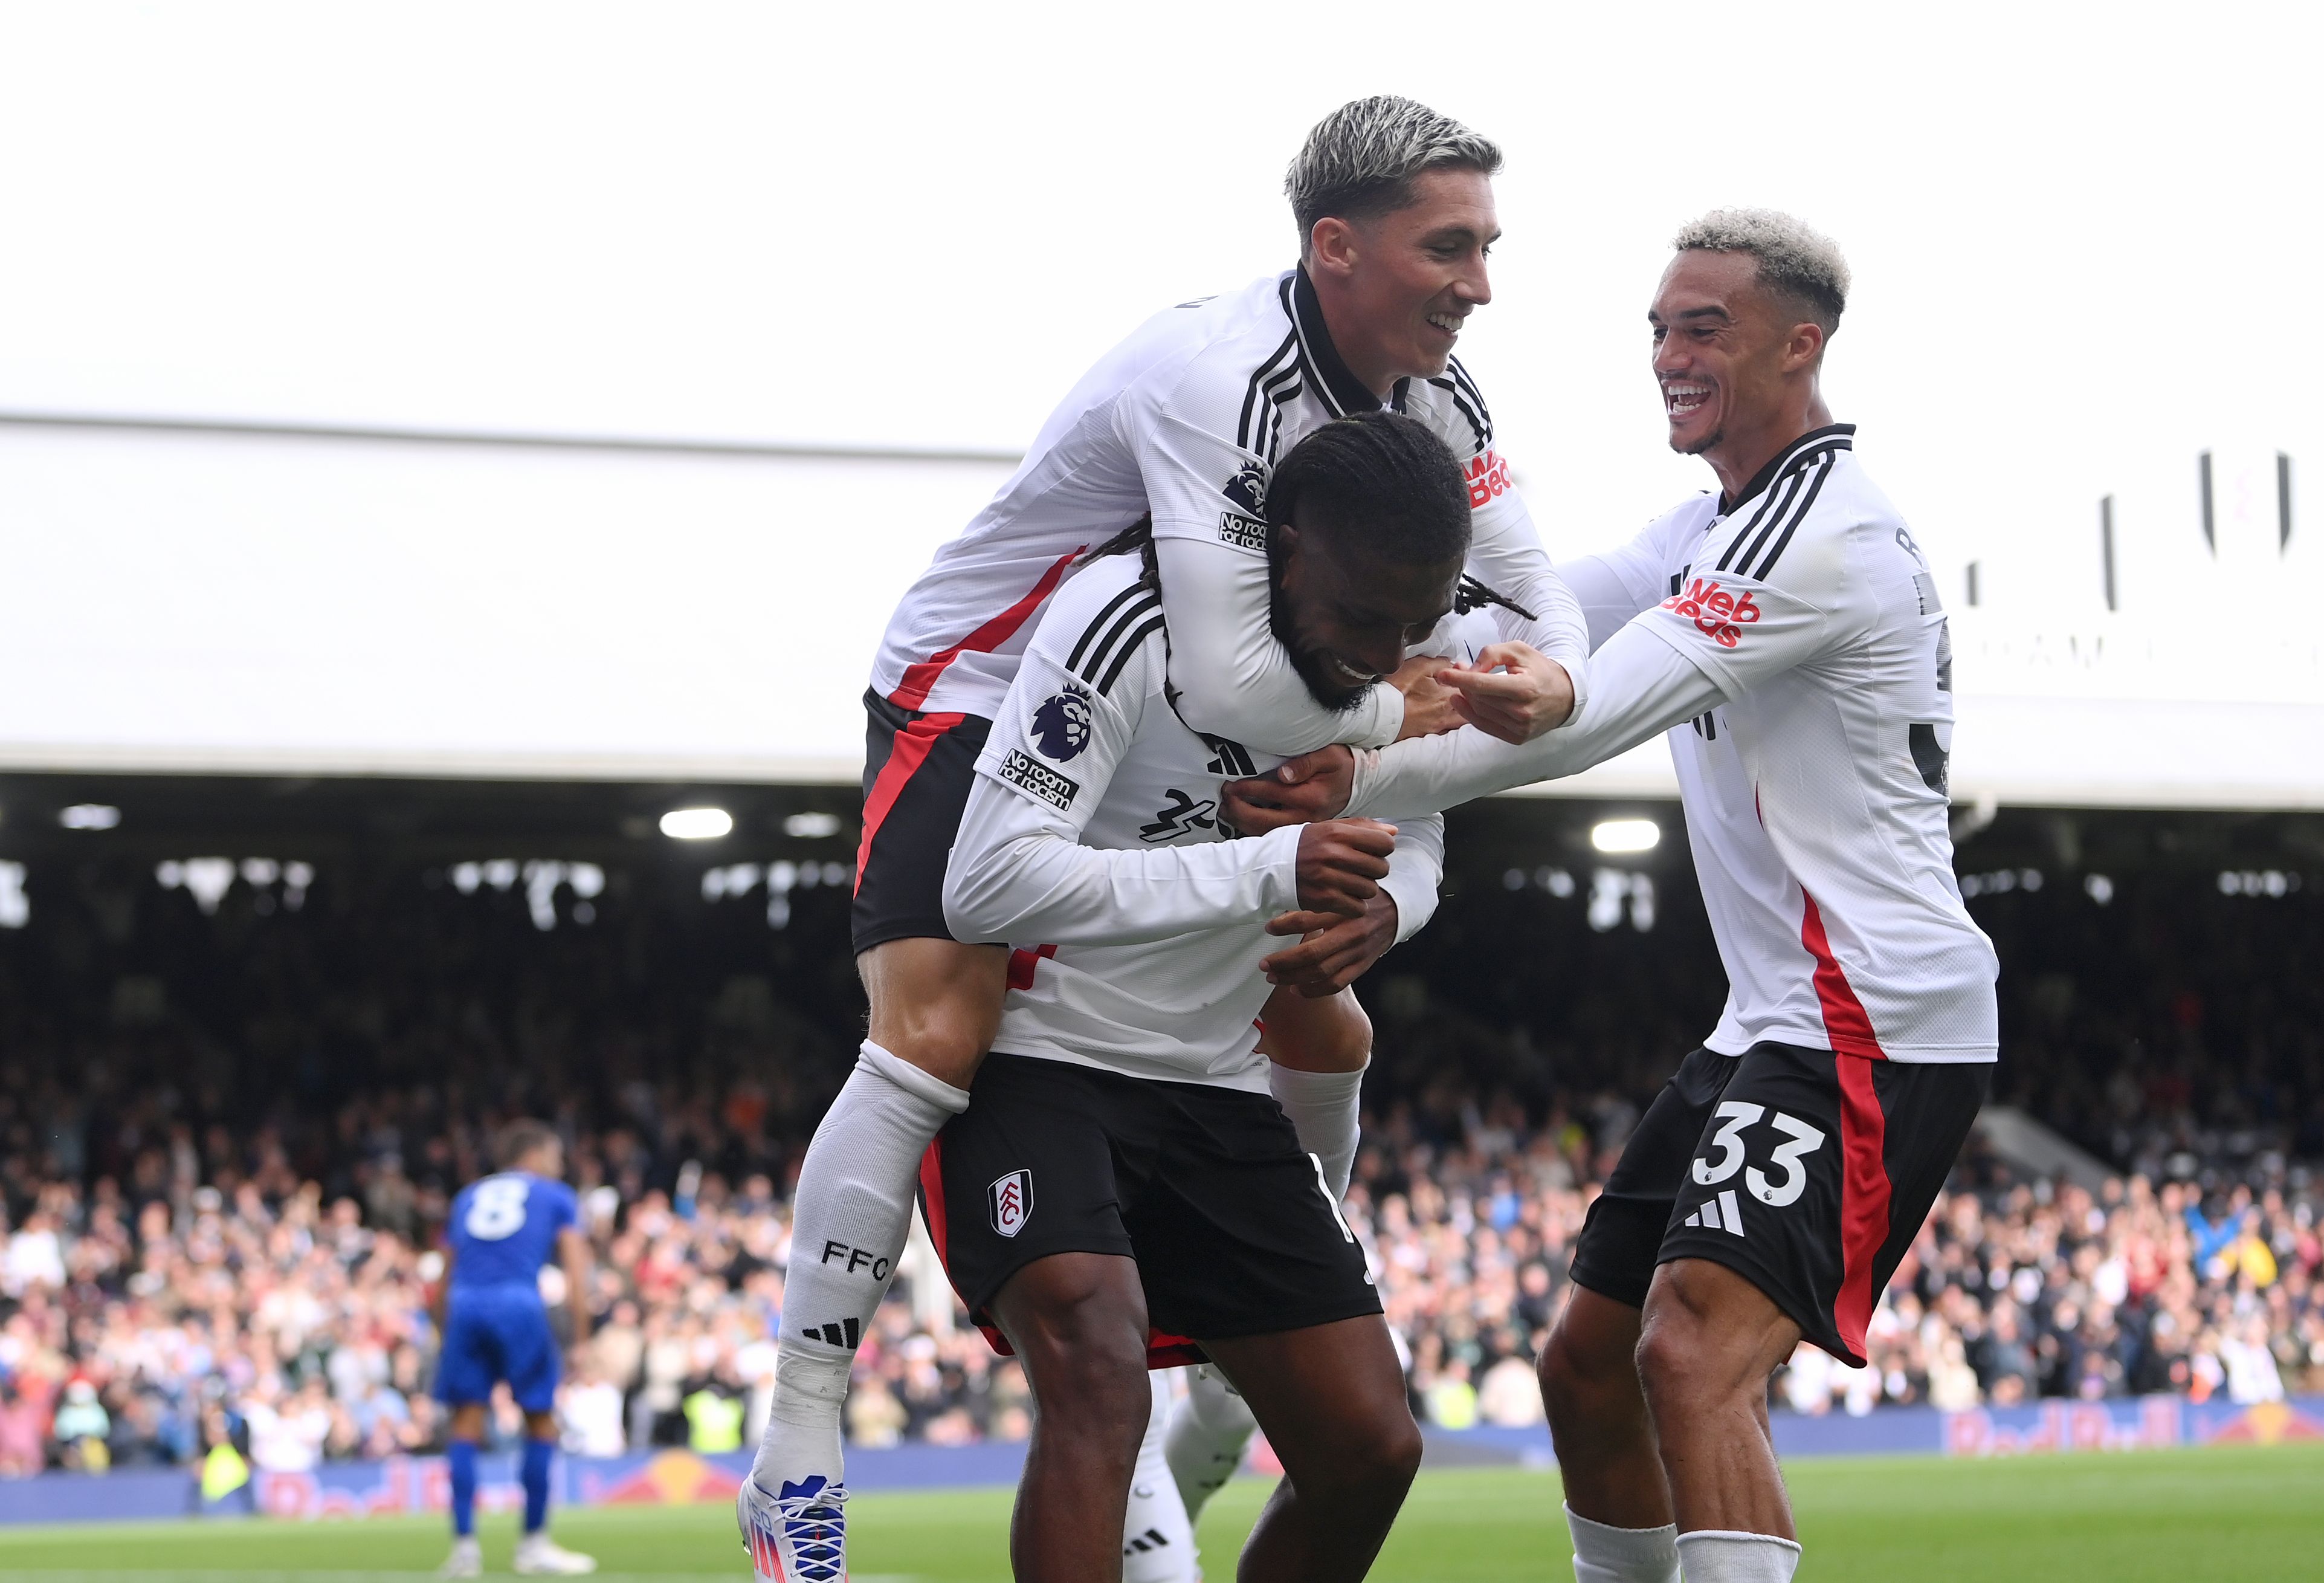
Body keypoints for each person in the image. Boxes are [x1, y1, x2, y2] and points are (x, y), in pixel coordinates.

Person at [747, 93, 1587, 1573]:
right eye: (1447, 246)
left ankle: (1257, 1320)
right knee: (943, 1024)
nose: (1479, 283)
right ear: (1337, 246)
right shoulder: (1219, 381)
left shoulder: (1442, 413)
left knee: (1319, 1021)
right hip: (999, 673)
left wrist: (1540, 687)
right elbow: (1230, 678)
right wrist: (1398, 722)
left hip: (1234, 718)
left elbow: (1532, 616)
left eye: (1488, 246)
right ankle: (801, 1435)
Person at [1226, 212, 2000, 1583]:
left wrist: (1358, 759)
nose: (1669, 353)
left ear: (1799, 345)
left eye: (1704, 327)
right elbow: (1556, 621)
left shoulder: (1821, 537)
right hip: (1774, 1021)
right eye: (1658, 326)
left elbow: (1589, 706)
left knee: (1691, 1349)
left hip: (1871, 1019)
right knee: (1588, 1364)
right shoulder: (1720, 522)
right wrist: (1378, 621)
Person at [897, 412, 1458, 1583]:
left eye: (1416, 621)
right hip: (1038, 1056)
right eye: (1364, 616)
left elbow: (1421, 816)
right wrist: (1266, 865)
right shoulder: (1128, 613)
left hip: (1212, 1079)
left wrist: (1386, 907)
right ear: (1287, 547)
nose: (1385, 650)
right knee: (1096, 1376)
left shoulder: (1396, 640)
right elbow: (987, 881)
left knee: (1368, 1445)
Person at [431, 1119, 598, 1576]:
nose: (559, 1164)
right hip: (518, 1304)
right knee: (540, 1420)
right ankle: (534, 1543)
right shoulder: (555, 1194)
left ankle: (464, 1549)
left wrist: (443, 1329)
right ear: (538, 1154)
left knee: (465, 1422)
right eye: (556, 1156)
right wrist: (581, 1339)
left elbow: (444, 1272)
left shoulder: (467, 1195)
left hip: (465, 1303)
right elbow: (576, 1271)